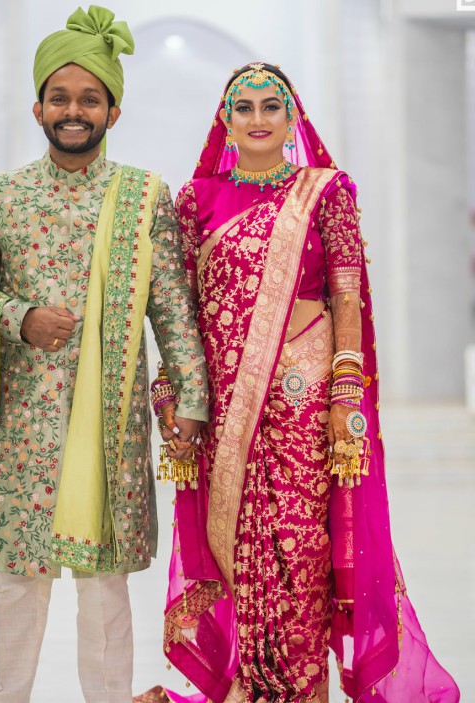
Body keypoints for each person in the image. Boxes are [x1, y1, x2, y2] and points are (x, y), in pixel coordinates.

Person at [154, 62, 459, 703]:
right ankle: (248, 684)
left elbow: (346, 294)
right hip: (226, 400)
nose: (258, 119)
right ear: (225, 120)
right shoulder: (196, 199)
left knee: (301, 545)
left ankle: (302, 689)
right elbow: (180, 308)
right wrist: (173, 390)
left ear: (292, 118)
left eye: (272, 106)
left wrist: (346, 387)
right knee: (238, 544)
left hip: (305, 394)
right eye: (244, 108)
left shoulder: (325, 191)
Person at [0, 7, 209, 703]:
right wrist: (19, 318)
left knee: (104, 583)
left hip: (109, 420)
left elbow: (172, 307)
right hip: (19, 420)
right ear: (37, 107)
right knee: (12, 580)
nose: (73, 111)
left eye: (90, 98)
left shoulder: (145, 197)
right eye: (59, 97)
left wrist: (190, 397)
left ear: (113, 112)